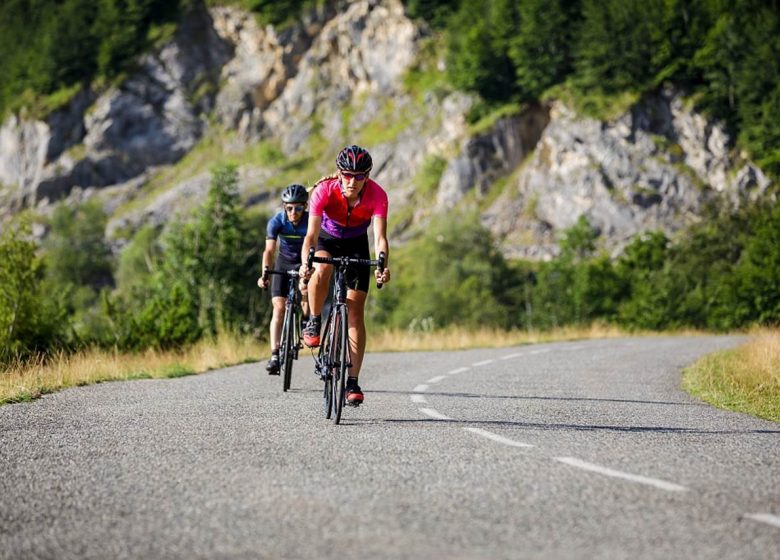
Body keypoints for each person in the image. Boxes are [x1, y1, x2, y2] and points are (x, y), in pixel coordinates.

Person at [300, 145, 391, 405]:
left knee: (355, 312)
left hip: (356, 243)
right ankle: (315, 320)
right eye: (347, 175)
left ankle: (352, 381)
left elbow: (381, 239)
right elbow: (310, 236)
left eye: (359, 176)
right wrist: (307, 261)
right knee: (323, 267)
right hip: (328, 239)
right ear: (339, 174)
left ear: (368, 176)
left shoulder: (377, 195)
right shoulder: (323, 191)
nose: (353, 181)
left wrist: (383, 267)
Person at [258, 184, 310, 375]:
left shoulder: (311, 221)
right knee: (279, 307)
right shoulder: (276, 221)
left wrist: (308, 269)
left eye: (298, 208)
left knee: (305, 289)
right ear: (283, 207)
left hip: (305, 261)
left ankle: (306, 320)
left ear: (305, 207)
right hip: (284, 262)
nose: (293, 212)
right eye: (289, 208)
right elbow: (269, 250)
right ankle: (275, 355)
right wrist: (265, 272)